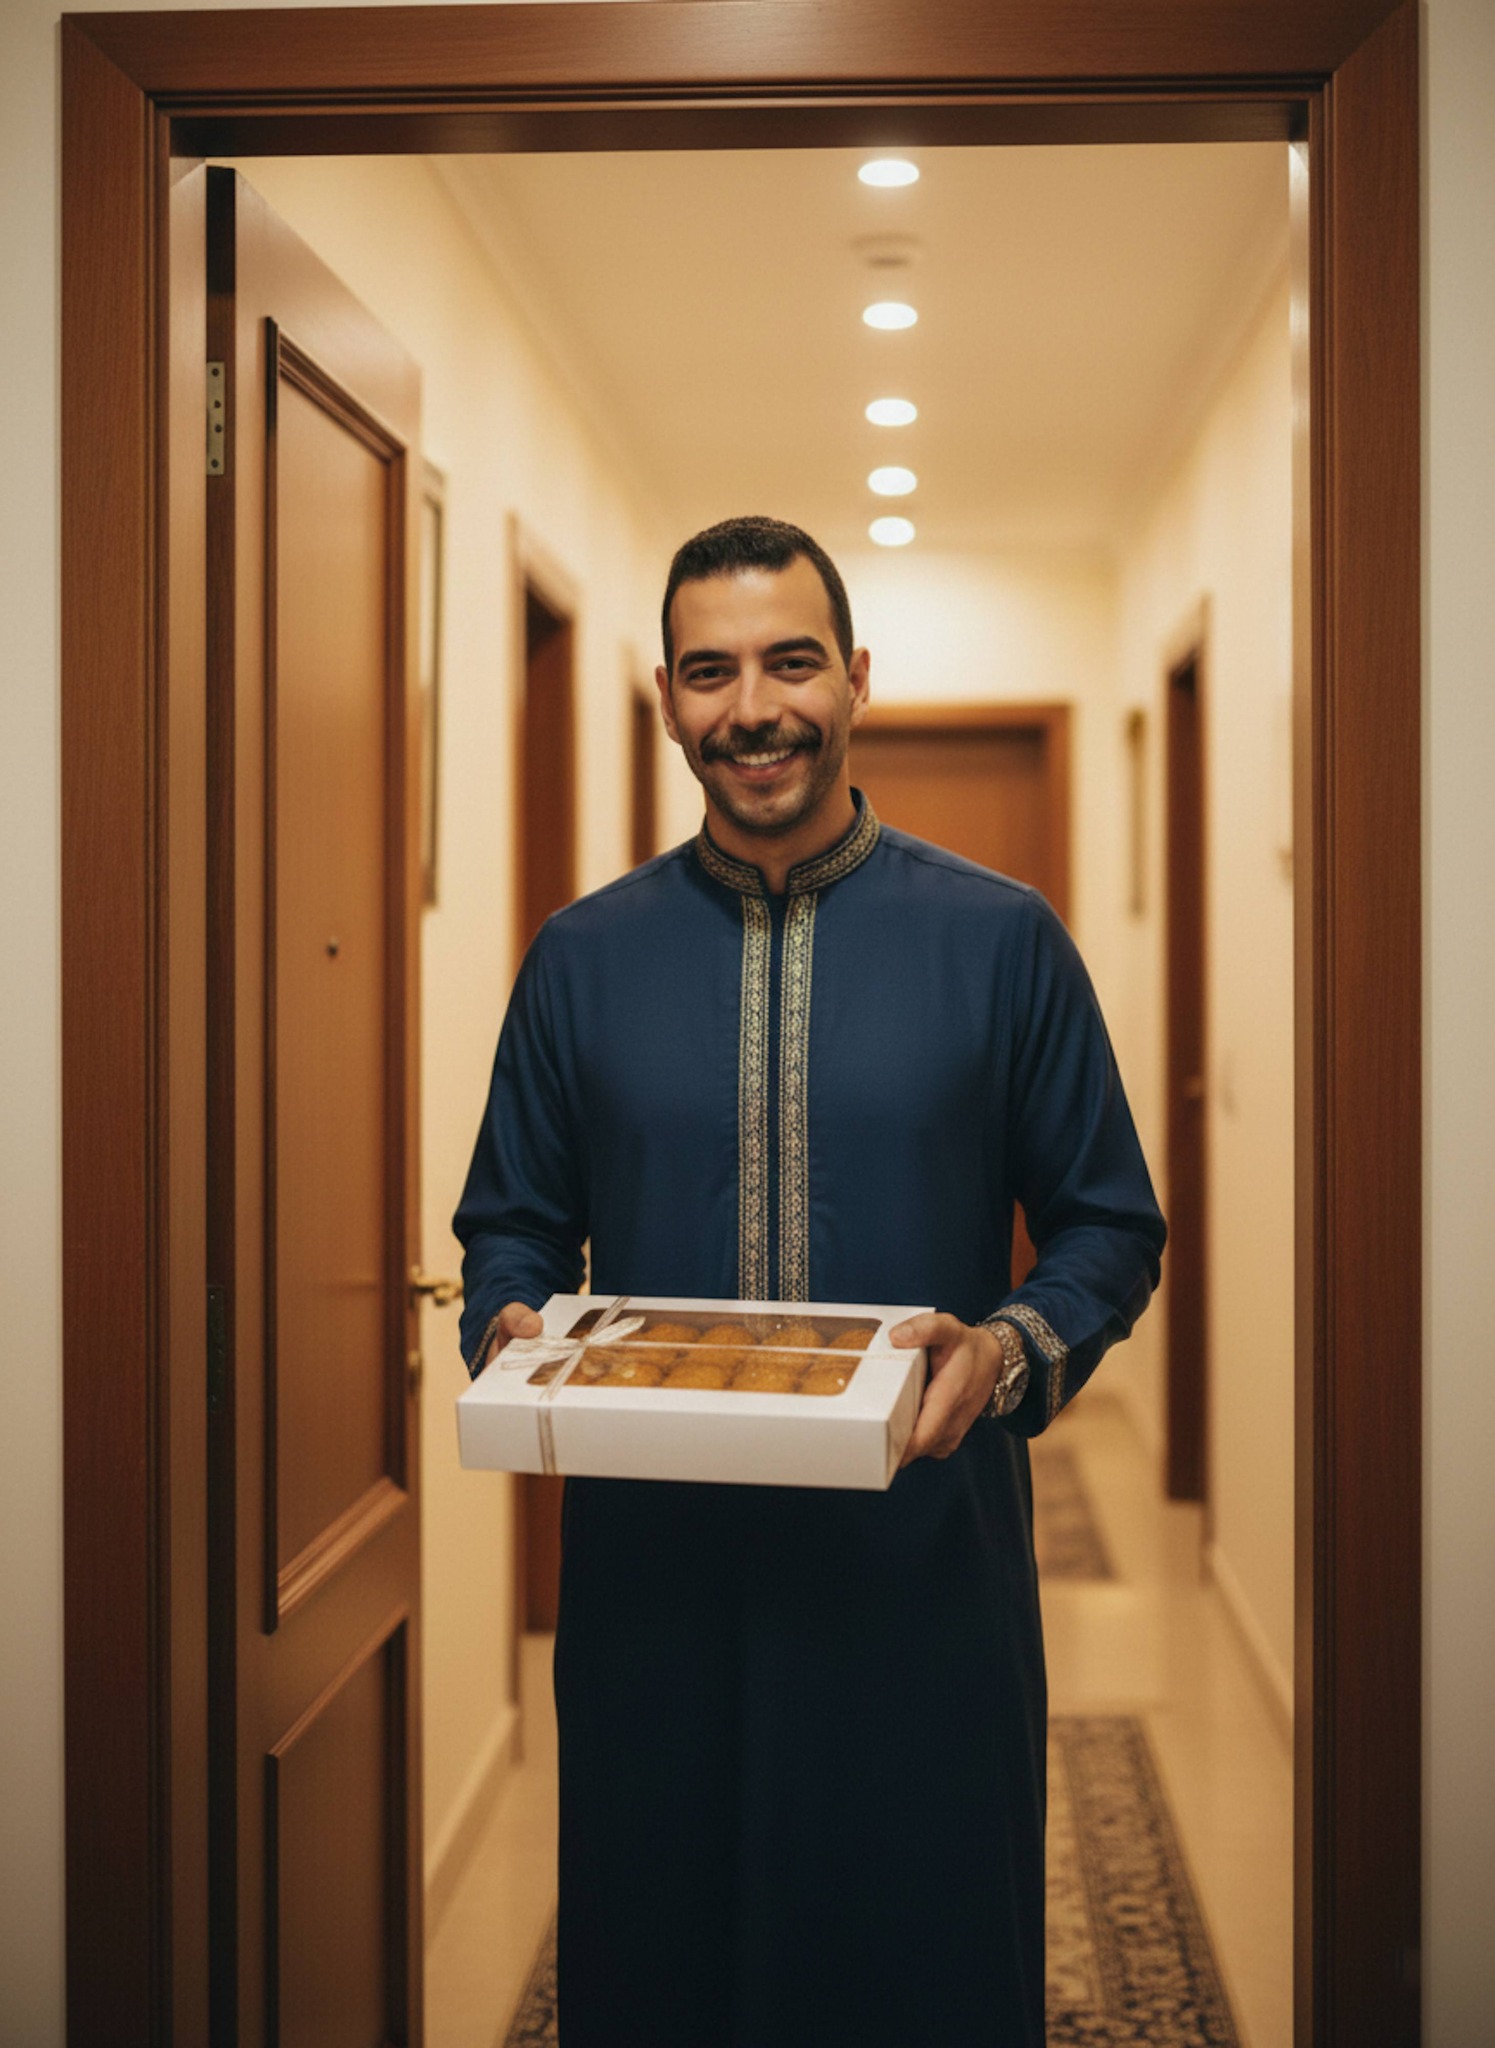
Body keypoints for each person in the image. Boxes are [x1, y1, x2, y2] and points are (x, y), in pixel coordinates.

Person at [455, 515, 1165, 2047]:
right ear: (666, 698)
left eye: (790, 663)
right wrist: (511, 1318)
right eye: (710, 673)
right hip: (656, 1591)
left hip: (921, 1580)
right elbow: (511, 1221)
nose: (753, 708)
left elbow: (1110, 1225)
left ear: (855, 678)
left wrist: (1007, 1349)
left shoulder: (1001, 943)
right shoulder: (582, 959)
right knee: (665, 1965)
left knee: (920, 1968)